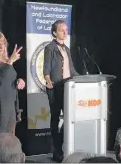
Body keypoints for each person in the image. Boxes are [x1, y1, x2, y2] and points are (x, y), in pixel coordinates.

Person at [43, 20, 79, 162]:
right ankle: (57, 151)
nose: (65, 32)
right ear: (54, 32)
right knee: (55, 119)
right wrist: (47, 79)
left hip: (67, 88)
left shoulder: (67, 49)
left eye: (66, 29)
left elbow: (72, 69)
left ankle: (67, 146)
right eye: (62, 30)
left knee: (70, 118)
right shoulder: (50, 47)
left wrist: (83, 78)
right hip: (55, 88)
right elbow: (46, 68)